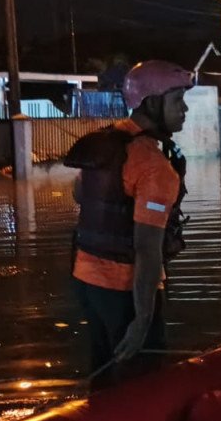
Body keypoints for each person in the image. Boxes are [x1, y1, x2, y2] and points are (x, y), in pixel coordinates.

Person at [64, 60, 192, 388]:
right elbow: (147, 250)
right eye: (177, 101)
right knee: (142, 379)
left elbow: (81, 194)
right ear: (151, 103)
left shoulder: (107, 142)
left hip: (85, 281)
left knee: (104, 372)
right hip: (123, 290)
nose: (185, 109)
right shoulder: (153, 165)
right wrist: (142, 320)